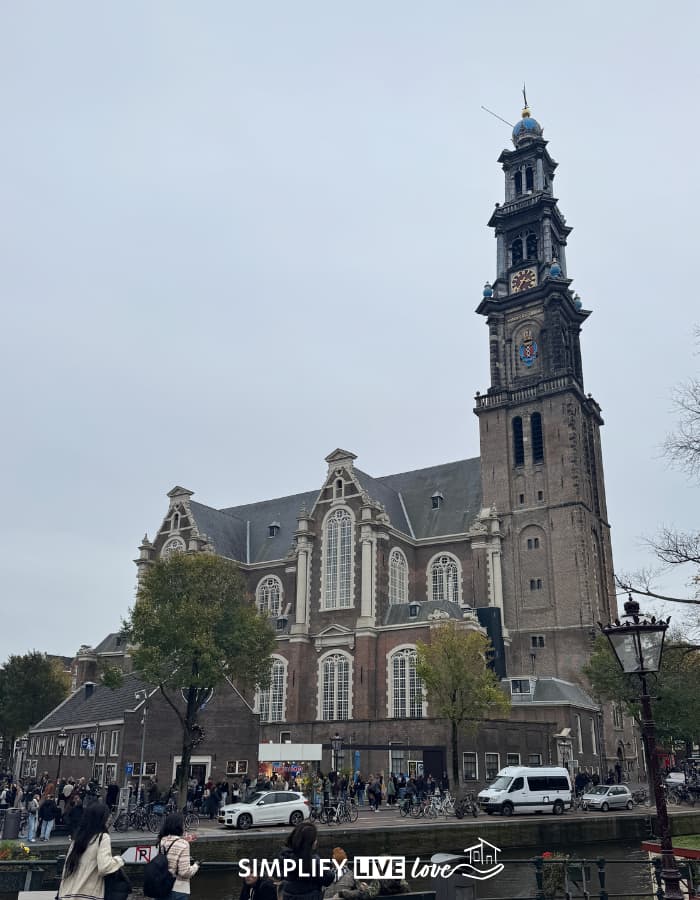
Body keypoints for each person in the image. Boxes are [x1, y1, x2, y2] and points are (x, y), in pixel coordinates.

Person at [57, 802, 125, 900]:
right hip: (88, 894)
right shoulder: (102, 837)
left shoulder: (77, 838)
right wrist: (119, 860)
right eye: (108, 816)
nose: (110, 819)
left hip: (67, 894)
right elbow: (104, 867)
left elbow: (66, 868)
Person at [278, 821, 334, 900]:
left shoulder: (285, 856)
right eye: (315, 839)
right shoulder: (313, 862)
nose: (316, 841)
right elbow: (328, 878)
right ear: (309, 843)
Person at [158, 812, 200, 898]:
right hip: (178, 890)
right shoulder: (183, 844)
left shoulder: (162, 840)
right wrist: (196, 865)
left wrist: (183, 840)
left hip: (161, 887)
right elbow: (184, 872)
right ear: (179, 826)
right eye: (184, 824)